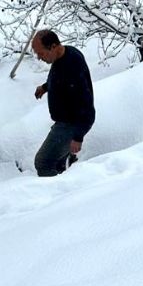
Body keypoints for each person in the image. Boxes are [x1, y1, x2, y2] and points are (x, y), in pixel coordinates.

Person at [31, 29, 96, 177]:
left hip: (70, 125)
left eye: (40, 53)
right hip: (63, 122)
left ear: (53, 46)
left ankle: (53, 196)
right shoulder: (60, 57)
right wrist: (45, 87)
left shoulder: (73, 64)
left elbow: (87, 105)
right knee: (57, 163)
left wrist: (78, 137)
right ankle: (63, 191)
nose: (39, 58)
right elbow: (60, 79)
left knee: (43, 162)